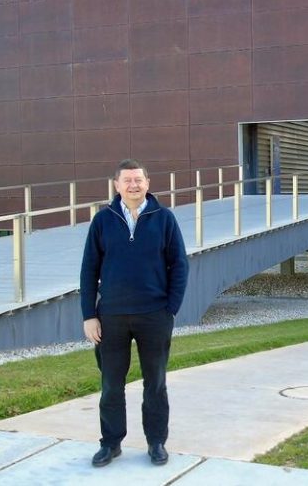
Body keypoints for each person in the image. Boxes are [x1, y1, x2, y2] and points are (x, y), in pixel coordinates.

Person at [80, 159, 189, 467]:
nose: (133, 185)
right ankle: (111, 443)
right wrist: (89, 314)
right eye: (127, 180)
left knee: (155, 382)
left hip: (154, 315)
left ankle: (156, 442)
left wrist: (171, 308)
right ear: (117, 185)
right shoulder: (103, 221)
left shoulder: (164, 218)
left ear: (148, 183)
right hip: (111, 317)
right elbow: (89, 269)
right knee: (111, 384)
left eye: (138, 180)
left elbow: (179, 264)